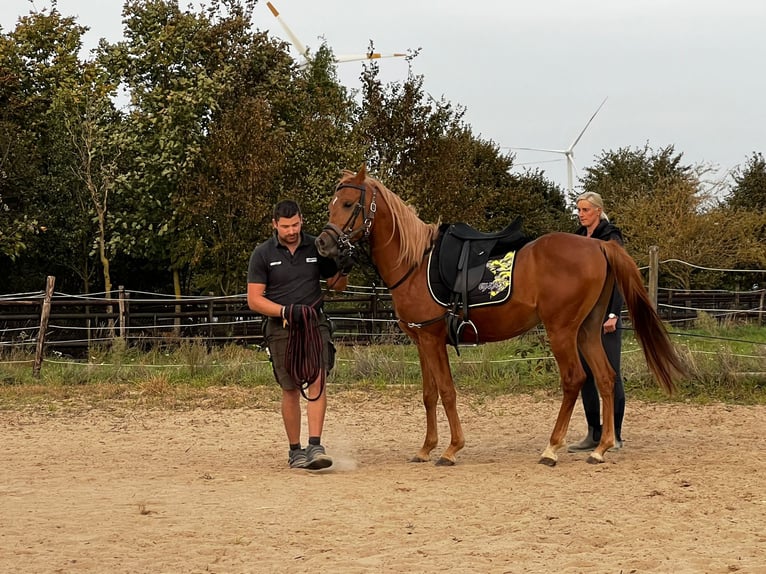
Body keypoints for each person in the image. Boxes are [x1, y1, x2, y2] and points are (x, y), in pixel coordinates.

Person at [247, 200, 349, 469]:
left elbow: (336, 286)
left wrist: (343, 266)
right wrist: (284, 312)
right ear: (274, 225)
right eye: (285, 227)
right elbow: (255, 299)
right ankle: (295, 450)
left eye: (295, 225)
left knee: (318, 380)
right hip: (282, 328)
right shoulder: (263, 254)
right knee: (290, 388)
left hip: (314, 324)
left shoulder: (318, 246)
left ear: (302, 220)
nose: (291, 231)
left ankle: (315, 445)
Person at [568, 191, 626, 453]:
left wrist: (613, 313)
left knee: (610, 374)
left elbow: (618, 278)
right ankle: (593, 432)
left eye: (586, 210)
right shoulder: (577, 239)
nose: (581, 214)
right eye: (579, 210)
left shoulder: (611, 236)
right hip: (583, 317)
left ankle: (616, 433)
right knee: (586, 374)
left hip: (606, 316)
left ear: (598, 211)